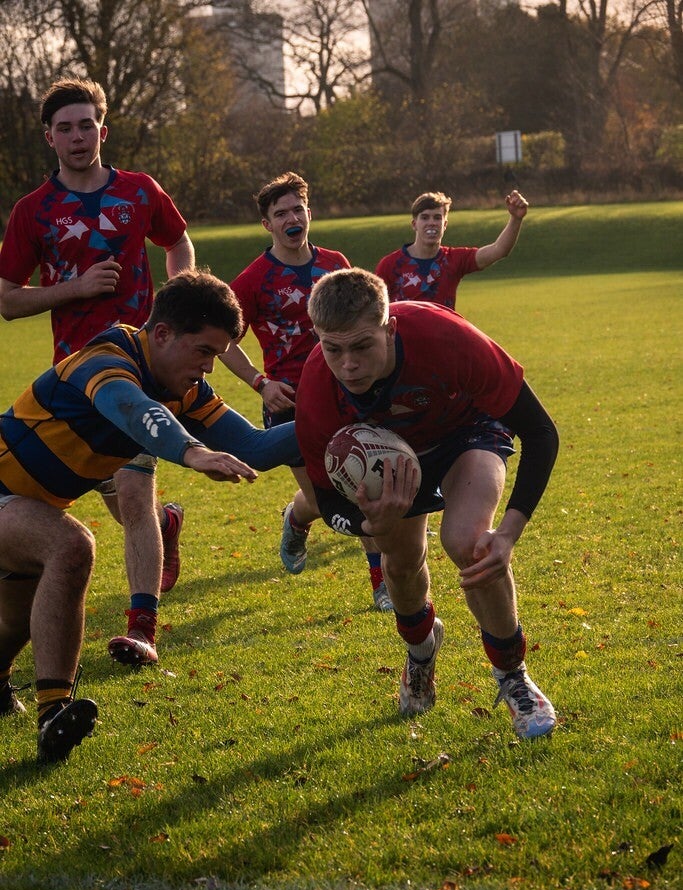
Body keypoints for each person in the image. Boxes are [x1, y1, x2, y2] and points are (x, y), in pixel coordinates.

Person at [0, 270, 300, 764]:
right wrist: (193, 452)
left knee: (14, 625)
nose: (208, 367)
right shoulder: (105, 360)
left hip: (28, 505)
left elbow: (254, 446)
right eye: (203, 351)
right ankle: (54, 714)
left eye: (216, 355)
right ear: (162, 334)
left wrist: (339, 423)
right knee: (71, 546)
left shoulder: (183, 386)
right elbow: (134, 410)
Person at [296, 268, 559, 740]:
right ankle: (421, 652)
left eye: (362, 346)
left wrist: (508, 534)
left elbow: (541, 432)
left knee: (472, 545)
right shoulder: (317, 387)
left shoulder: (446, 337)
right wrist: (368, 524)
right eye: (332, 349)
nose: (347, 365)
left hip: (466, 433)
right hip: (391, 458)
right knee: (399, 563)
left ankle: (513, 676)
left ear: (390, 328)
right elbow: (326, 498)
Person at [0, 76, 195, 667]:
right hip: (71, 386)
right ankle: (165, 525)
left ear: (103, 131)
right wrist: (74, 288)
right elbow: (7, 299)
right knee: (120, 496)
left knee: (132, 493)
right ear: (49, 138)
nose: (78, 136)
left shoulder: (139, 190)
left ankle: (142, 631)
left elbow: (178, 242)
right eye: (65, 128)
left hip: (136, 374)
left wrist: (179, 297)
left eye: (87, 125)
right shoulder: (33, 211)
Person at [222, 171, 392, 612]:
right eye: (281, 214)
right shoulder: (254, 279)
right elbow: (221, 340)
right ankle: (297, 518)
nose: (291, 219)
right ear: (267, 224)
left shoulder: (335, 263)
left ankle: (383, 586)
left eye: (297, 209)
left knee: (364, 486)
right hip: (291, 403)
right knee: (320, 498)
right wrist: (260, 383)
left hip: (346, 390)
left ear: (309, 213)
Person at [374, 189, 529, 309]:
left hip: (443, 340)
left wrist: (516, 219)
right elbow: (375, 312)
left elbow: (498, 249)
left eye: (437, 217)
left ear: (445, 224)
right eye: (425, 217)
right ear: (414, 224)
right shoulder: (390, 265)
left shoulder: (453, 259)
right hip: (403, 341)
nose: (431, 222)